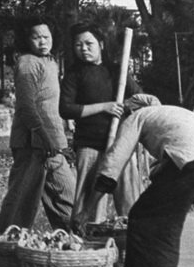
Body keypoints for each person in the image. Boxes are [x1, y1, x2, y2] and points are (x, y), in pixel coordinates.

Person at [87, 94, 194, 267]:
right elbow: (177, 154)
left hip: (193, 159)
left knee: (147, 219)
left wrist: (87, 209)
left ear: (129, 111)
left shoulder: (137, 117)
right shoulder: (174, 113)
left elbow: (112, 165)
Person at [0, 20, 75, 235]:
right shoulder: (28, 63)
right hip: (32, 143)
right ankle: (5, 247)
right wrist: (42, 135)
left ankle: (77, 243)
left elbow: (50, 102)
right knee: (21, 202)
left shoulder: (51, 62)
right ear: (26, 40)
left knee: (68, 197)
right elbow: (26, 106)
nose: (42, 42)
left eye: (46, 37)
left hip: (53, 145)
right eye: (36, 37)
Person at [59, 21, 145, 224]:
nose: (83, 49)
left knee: (129, 202)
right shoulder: (74, 74)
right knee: (88, 202)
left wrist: (127, 105)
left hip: (120, 145)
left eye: (89, 43)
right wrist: (104, 106)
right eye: (78, 45)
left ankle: (130, 244)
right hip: (89, 145)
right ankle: (88, 246)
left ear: (101, 44)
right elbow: (66, 109)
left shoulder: (117, 71)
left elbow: (141, 99)